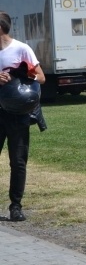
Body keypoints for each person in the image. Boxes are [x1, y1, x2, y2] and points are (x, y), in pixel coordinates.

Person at [0, 11, 47, 222]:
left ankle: (16, 206)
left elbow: (41, 77)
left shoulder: (21, 49)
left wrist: (21, 73)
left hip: (18, 114)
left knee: (18, 162)